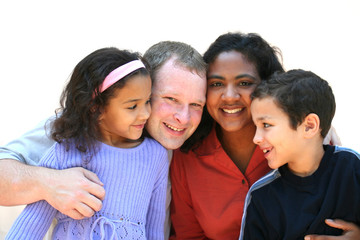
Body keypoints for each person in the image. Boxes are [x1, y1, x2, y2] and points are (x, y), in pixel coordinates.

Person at [0, 41, 207, 238]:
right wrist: (48, 183)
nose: (184, 117)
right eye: (171, 99)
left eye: (196, 105)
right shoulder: (74, 131)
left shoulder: (178, 149)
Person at [169, 32, 354, 240]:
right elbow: (188, 236)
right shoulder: (186, 156)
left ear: (267, 87)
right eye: (216, 84)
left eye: (245, 83)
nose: (229, 96)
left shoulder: (307, 145)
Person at [239, 69, 360, 239]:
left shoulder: (353, 168)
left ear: (309, 126)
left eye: (266, 125)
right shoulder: (261, 196)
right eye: (256, 126)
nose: (256, 138)